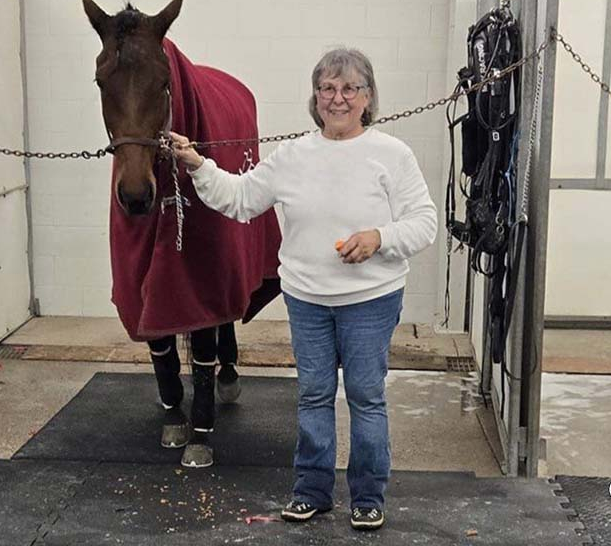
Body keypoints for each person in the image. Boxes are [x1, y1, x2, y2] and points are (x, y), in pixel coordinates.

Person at [169, 47, 437, 531]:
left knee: (365, 396)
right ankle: (311, 490)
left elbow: (424, 224)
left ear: (368, 97)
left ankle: (368, 496)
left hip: (370, 301)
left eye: (349, 88)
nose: (338, 99)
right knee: (313, 396)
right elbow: (242, 198)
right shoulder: (292, 155)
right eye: (327, 89)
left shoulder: (392, 156)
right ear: (315, 97)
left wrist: (379, 238)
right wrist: (196, 164)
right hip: (308, 300)